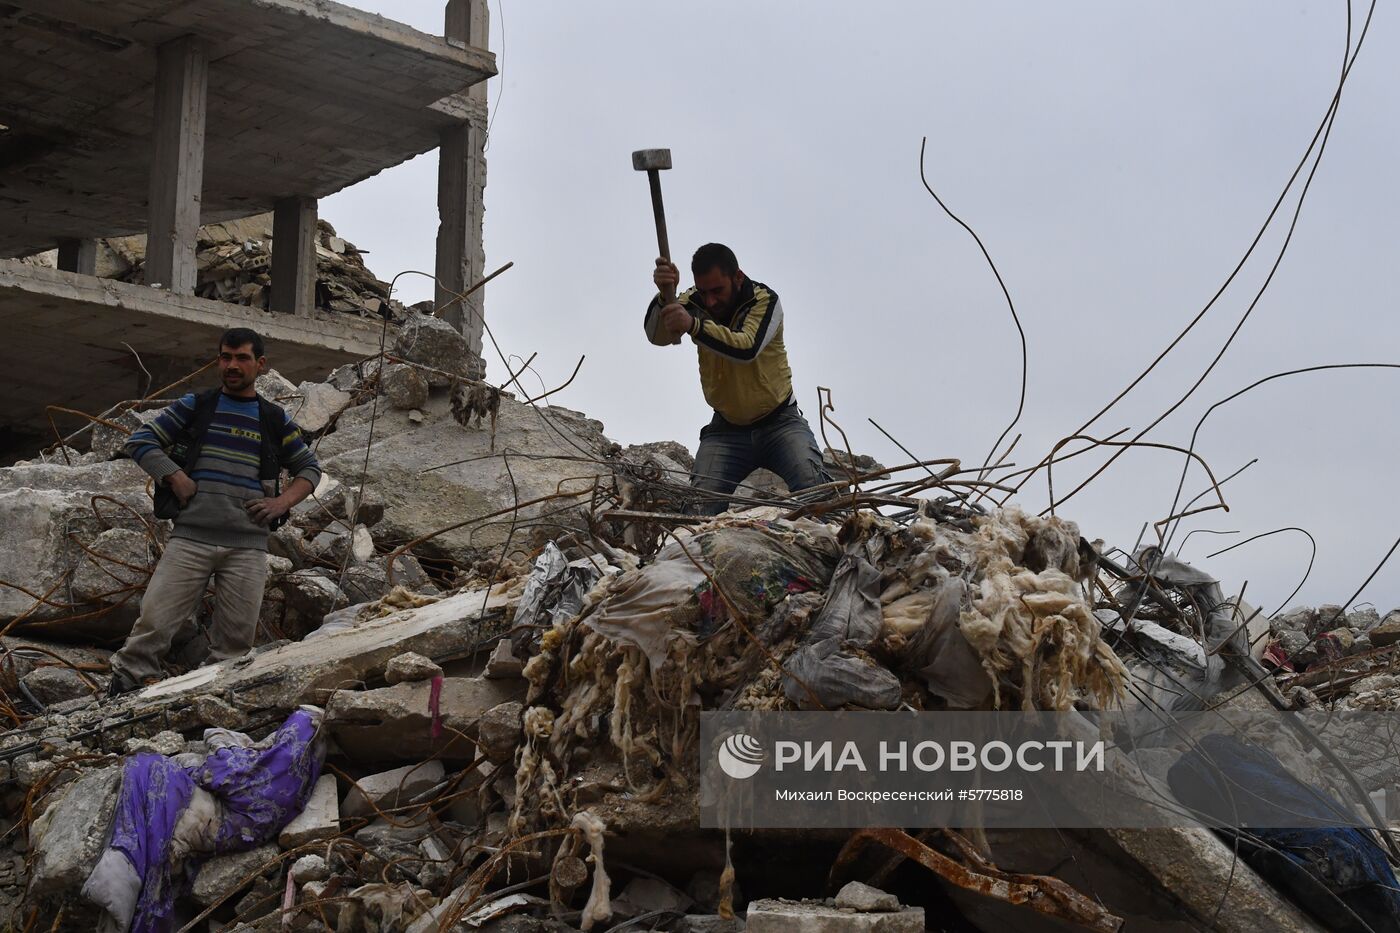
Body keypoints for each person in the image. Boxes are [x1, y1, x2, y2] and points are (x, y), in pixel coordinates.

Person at [108, 327, 321, 696]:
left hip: (248, 546)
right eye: (226, 357)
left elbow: (309, 469)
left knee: (235, 643)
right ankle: (126, 686)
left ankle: (213, 699)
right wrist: (174, 476)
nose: (232, 365)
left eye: (241, 358)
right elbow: (140, 440)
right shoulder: (198, 405)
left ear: (261, 364)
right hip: (191, 537)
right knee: (154, 624)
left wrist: (281, 503)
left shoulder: (273, 418)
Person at [644, 243, 829, 515]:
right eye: (704, 292)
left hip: (781, 422)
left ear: (737, 277)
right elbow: (656, 336)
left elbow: (747, 348)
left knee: (817, 495)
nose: (710, 301)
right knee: (698, 509)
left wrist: (693, 325)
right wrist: (664, 296)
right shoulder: (692, 301)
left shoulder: (765, 301)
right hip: (725, 429)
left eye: (718, 291)